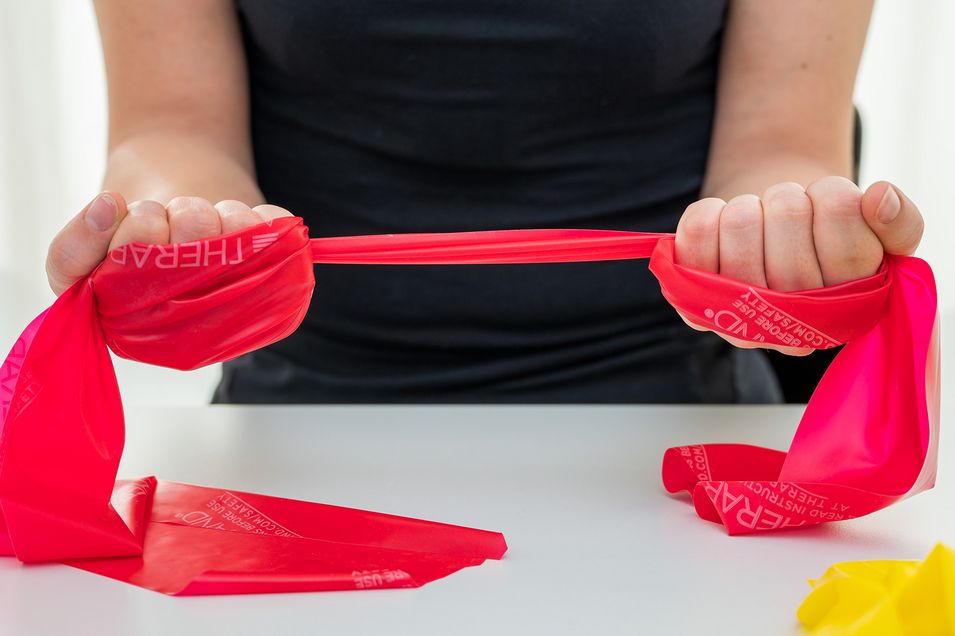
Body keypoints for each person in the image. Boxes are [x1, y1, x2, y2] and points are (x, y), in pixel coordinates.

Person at [46, 1, 924, 403]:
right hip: (297, 432)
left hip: (667, 427)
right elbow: (171, 128)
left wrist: (784, 238)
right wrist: (173, 226)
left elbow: (780, 147)